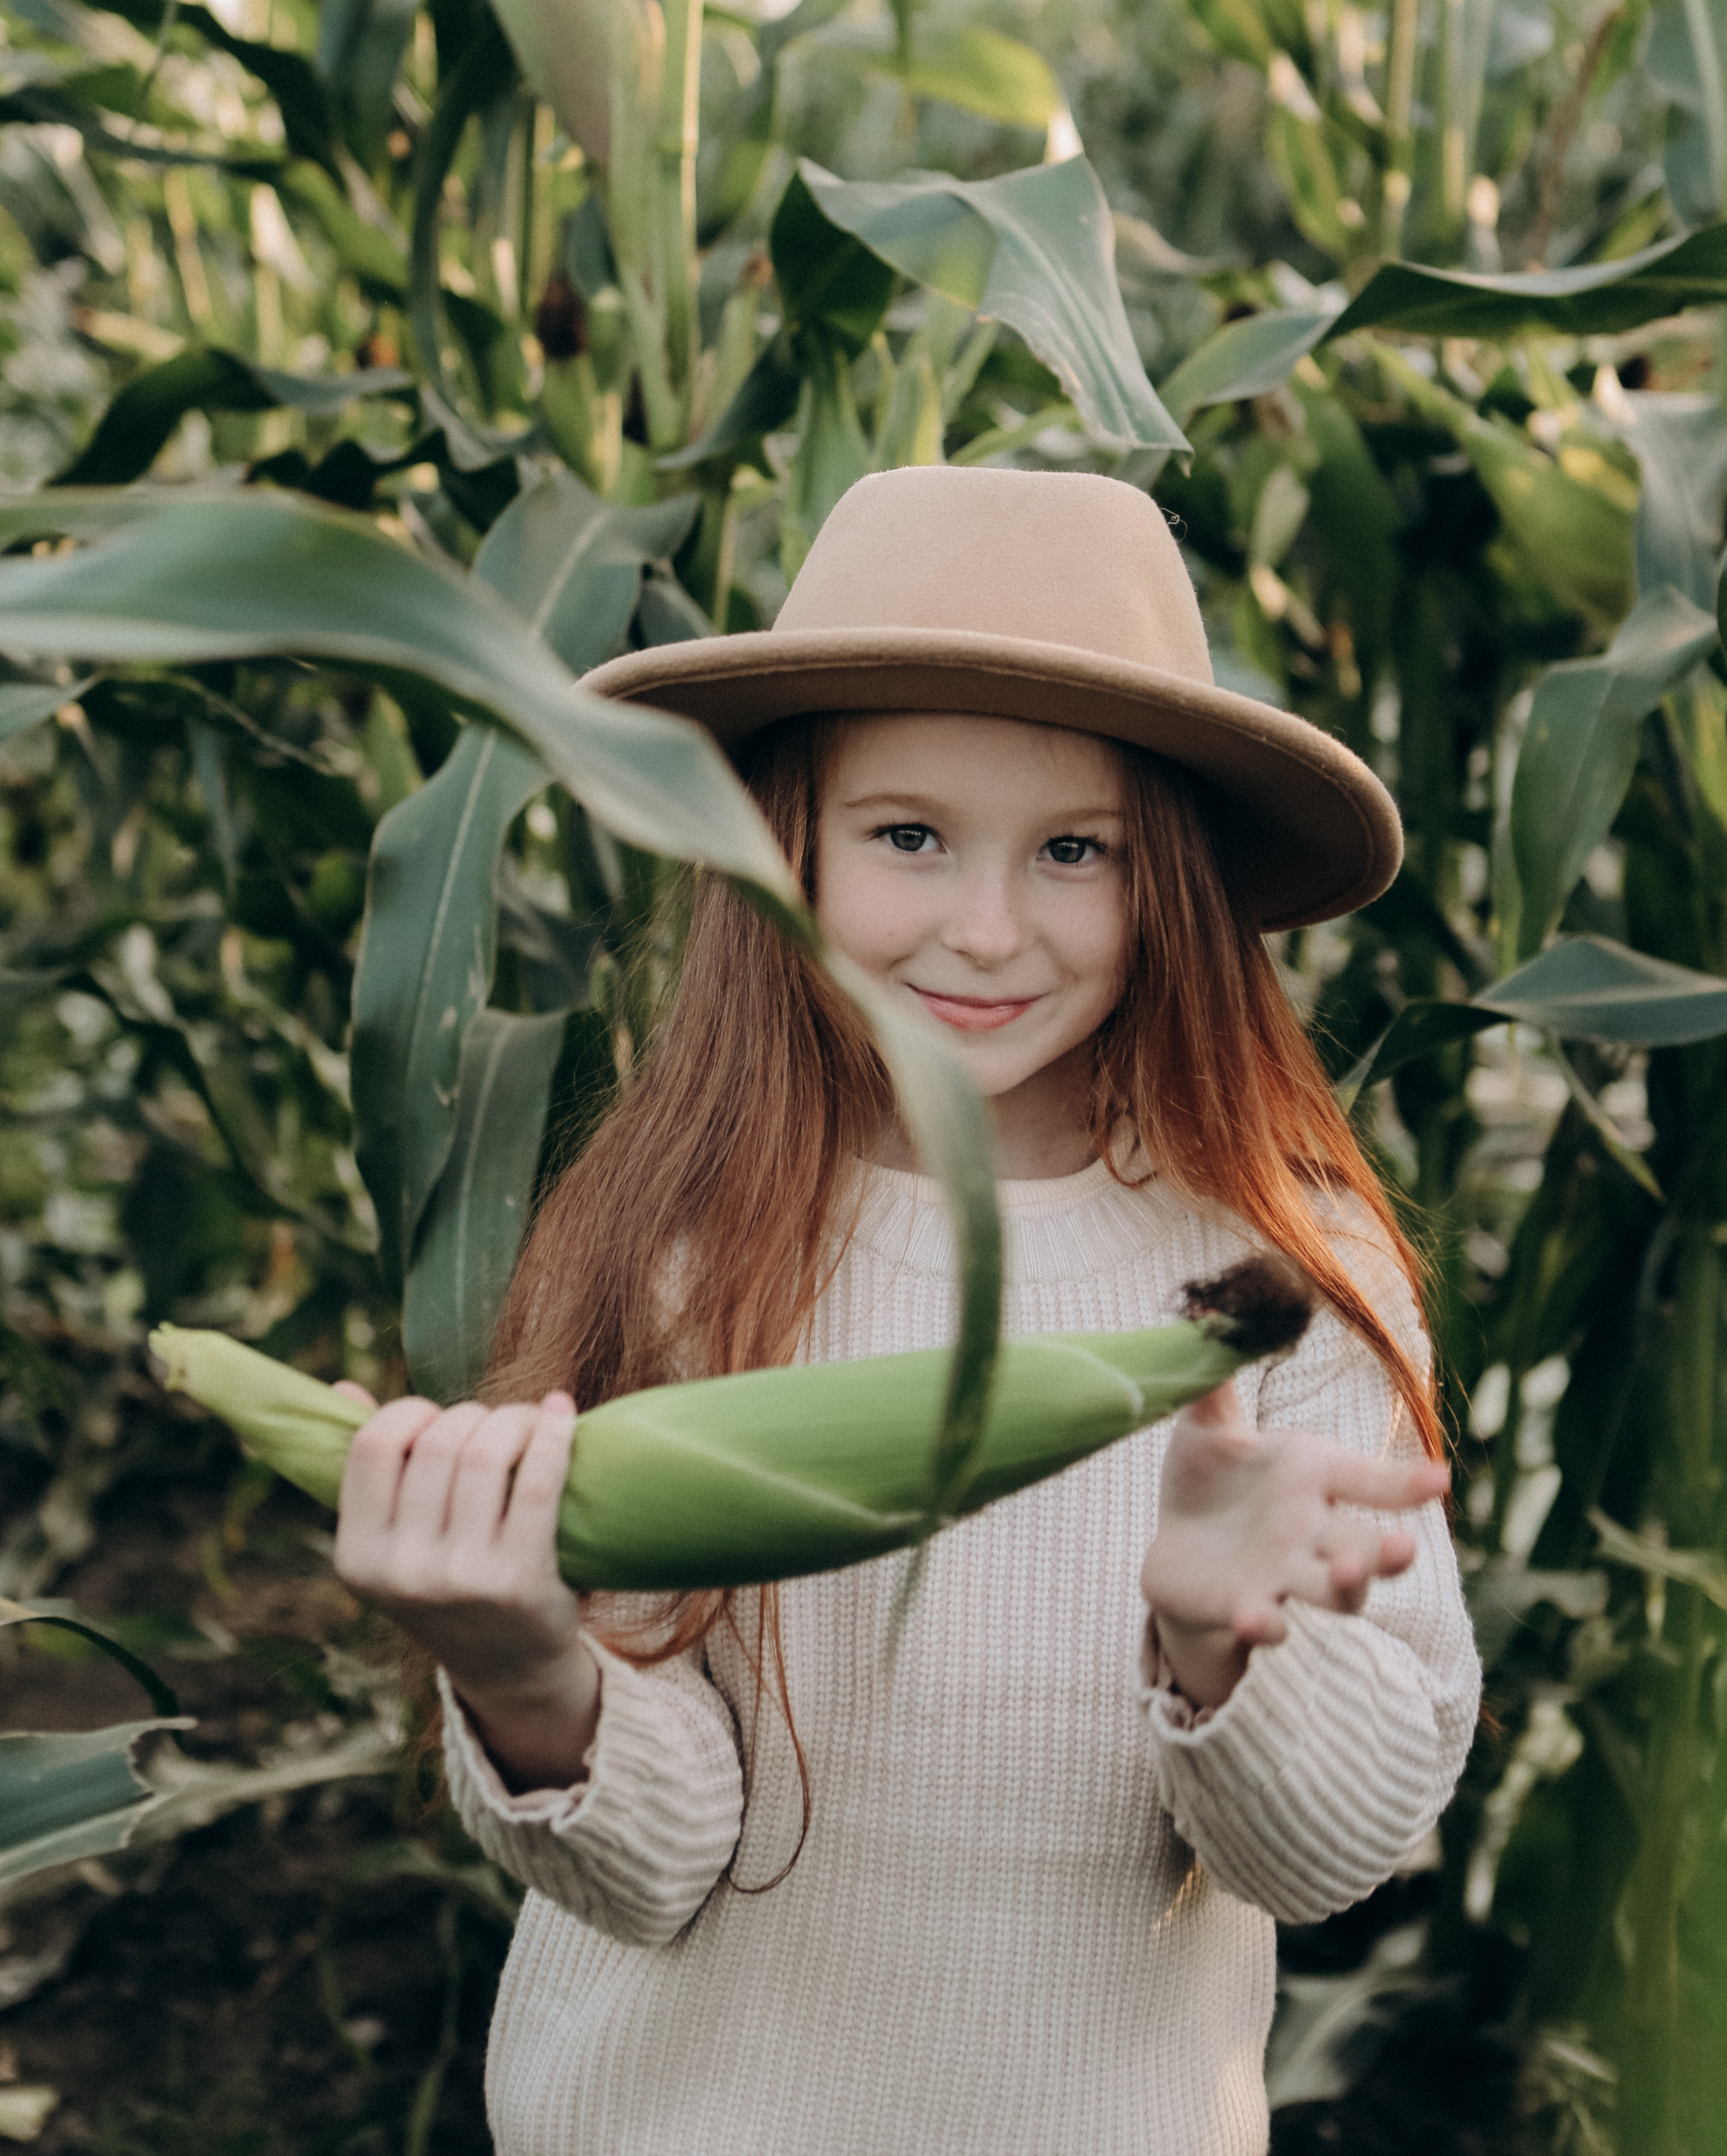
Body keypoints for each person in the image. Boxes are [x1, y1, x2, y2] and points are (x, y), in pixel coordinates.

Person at [333, 467, 1481, 2156]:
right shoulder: (680, 1247)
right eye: (908, 835)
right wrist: (521, 1671)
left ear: (1165, 881)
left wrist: (1225, 1650)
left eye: (1073, 849)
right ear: (781, 842)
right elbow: (650, 1870)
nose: (987, 928)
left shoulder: (1280, 1287)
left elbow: (1330, 1859)